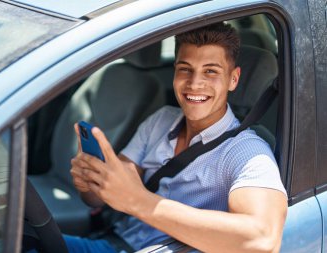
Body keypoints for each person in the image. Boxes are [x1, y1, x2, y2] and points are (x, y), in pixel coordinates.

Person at [69, 22, 288, 253]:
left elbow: (263, 241)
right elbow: (105, 194)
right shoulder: (160, 121)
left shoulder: (247, 151)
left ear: (233, 79)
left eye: (210, 71)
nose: (194, 83)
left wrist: (138, 201)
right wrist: (90, 182)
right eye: (185, 69)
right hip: (112, 241)